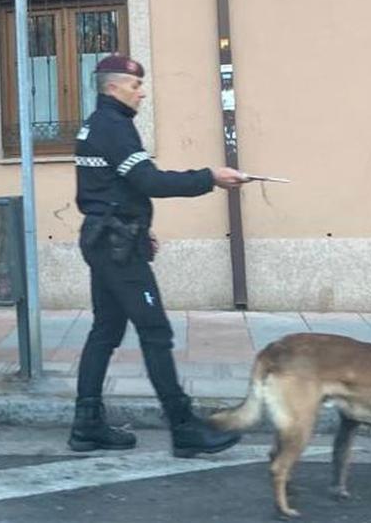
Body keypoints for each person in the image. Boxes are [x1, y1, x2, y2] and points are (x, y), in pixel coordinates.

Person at [68, 54, 246, 458]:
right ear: (113, 87)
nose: (141, 92)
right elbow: (147, 181)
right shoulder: (113, 127)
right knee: (156, 332)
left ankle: (87, 424)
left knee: (105, 331)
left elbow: (116, 188)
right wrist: (210, 178)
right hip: (117, 249)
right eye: (135, 85)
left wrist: (139, 228)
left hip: (108, 240)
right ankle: (184, 428)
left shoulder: (99, 124)